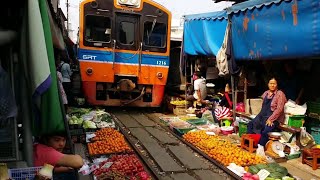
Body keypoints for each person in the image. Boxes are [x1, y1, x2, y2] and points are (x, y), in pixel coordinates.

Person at [247, 77, 287, 146]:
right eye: (271, 83)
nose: (272, 85)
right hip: (262, 116)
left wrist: (271, 119)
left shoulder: (280, 94)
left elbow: (279, 109)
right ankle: (251, 143)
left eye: (274, 84)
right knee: (251, 124)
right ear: (268, 84)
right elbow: (263, 106)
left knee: (266, 131)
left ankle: (260, 146)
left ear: (277, 85)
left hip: (274, 118)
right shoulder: (266, 93)